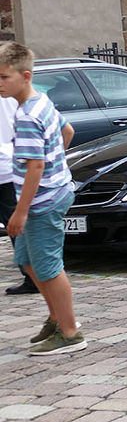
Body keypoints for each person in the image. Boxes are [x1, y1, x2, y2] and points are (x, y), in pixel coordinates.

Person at [0, 42, 85, 355]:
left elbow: (35, 166)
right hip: (51, 193)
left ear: (24, 76)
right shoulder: (41, 101)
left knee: (48, 267)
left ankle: (71, 332)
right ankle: (56, 318)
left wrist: (20, 212)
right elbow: (68, 132)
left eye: (4, 77)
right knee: (26, 261)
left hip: (42, 202)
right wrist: (55, 162)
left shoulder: (26, 117)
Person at [1, 93, 37, 296]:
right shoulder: (14, 94)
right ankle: (31, 276)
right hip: (10, 166)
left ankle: (32, 275)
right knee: (15, 225)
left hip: (5, 167)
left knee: (15, 225)